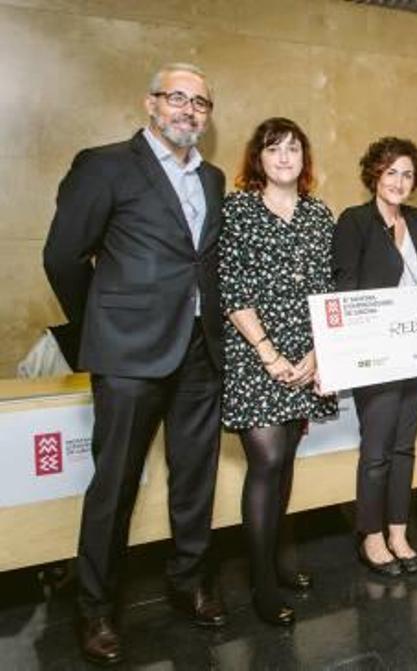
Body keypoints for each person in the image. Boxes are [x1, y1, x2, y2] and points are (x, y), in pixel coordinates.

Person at [42, 62, 226, 665]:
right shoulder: (104, 165)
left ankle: (188, 583)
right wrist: (103, 324)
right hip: (129, 355)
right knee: (115, 484)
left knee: (194, 478)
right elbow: (64, 257)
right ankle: (95, 608)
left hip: (200, 350)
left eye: (200, 103)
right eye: (178, 98)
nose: (189, 111)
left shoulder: (214, 177)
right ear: (150, 103)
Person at [218, 117, 338, 625]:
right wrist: (268, 352)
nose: (284, 157)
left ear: (303, 158)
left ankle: (278, 558)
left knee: (287, 457)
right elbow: (229, 286)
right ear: (258, 158)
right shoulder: (239, 209)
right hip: (254, 352)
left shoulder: (318, 213)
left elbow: (331, 288)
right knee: (266, 461)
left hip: (307, 354)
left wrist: (315, 353)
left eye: (293, 148)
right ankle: (260, 582)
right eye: (274, 149)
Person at [333, 137, 417, 577]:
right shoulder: (355, 221)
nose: (399, 181)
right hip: (375, 354)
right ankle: (370, 536)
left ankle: (398, 531)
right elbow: (345, 288)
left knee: (404, 447)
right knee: (376, 449)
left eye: (408, 174)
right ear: (375, 173)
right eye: (392, 172)